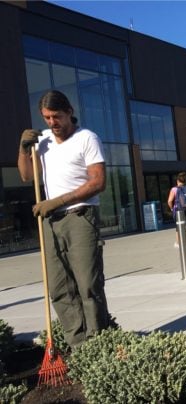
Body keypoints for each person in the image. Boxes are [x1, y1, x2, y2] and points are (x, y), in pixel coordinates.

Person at [17, 90, 110, 349]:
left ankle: (98, 344)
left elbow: (98, 182)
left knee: (87, 285)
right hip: (50, 221)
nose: (52, 123)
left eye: (56, 116)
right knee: (59, 288)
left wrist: (57, 201)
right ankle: (78, 344)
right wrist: (24, 148)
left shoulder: (86, 138)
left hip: (81, 217)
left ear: (69, 112)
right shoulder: (43, 141)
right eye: (46, 117)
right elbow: (27, 176)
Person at [168, 172, 186, 251]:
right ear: (184, 181)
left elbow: (169, 201)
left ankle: (178, 243)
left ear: (177, 181)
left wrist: (171, 208)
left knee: (179, 227)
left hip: (179, 211)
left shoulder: (174, 189)